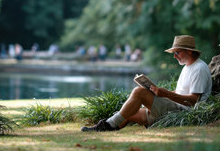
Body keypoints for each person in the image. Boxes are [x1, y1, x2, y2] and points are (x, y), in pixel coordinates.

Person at [81, 35, 212, 132]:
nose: (174, 56)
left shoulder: (199, 68)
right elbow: (179, 94)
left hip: (185, 112)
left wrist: (164, 93)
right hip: (175, 108)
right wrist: (158, 93)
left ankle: (107, 125)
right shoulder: (187, 67)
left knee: (139, 92)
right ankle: (105, 128)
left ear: (189, 51)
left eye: (177, 52)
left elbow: (193, 101)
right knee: (128, 113)